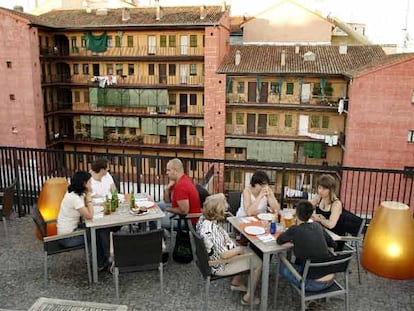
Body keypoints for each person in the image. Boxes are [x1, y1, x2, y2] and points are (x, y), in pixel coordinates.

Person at [197, 193, 262, 305]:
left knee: (241, 245)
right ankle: (248, 298)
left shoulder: (203, 220)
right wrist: (239, 249)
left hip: (211, 257)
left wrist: (232, 241)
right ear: (218, 211)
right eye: (224, 208)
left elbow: (218, 241)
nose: (226, 209)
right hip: (219, 265)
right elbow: (224, 255)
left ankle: (236, 283)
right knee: (258, 263)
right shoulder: (212, 230)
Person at [277, 200, 337, 291]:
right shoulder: (317, 226)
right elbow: (333, 244)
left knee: (282, 266)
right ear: (311, 214)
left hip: (312, 283)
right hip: (331, 278)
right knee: (305, 261)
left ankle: (302, 282)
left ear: (296, 214)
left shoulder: (294, 230)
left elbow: (279, 240)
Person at [57, 171, 112, 270]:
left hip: (71, 231)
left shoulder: (74, 193)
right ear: (83, 184)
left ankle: (103, 261)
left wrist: (88, 196)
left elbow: (85, 210)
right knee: (99, 231)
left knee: (100, 229)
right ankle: (103, 262)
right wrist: (89, 198)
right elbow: (89, 216)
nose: (91, 184)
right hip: (67, 238)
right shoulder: (74, 198)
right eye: (89, 182)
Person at [163, 158, 202, 226]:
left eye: (169, 170)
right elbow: (167, 201)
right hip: (182, 214)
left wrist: (168, 209)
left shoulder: (181, 186)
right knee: (158, 205)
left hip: (187, 220)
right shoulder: (181, 179)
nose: (167, 173)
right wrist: (167, 189)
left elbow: (184, 211)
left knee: (153, 219)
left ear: (176, 171)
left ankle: (156, 235)